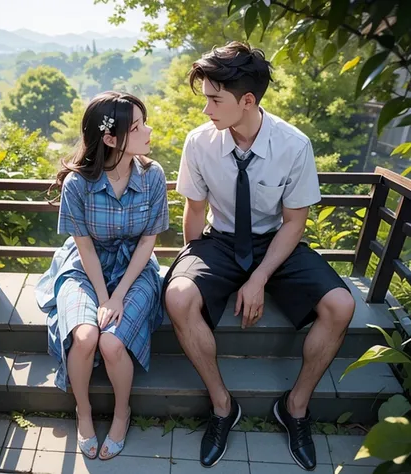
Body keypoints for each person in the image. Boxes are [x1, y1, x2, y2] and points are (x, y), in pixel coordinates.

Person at [163, 42, 356, 471]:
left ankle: (296, 407)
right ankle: (222, 406)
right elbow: (194, 212)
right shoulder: (200, 142)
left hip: (276, 241)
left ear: (247, 100)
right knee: (177, 296)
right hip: (220, 241)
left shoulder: (294, 145)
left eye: (215, 99)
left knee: (342, 305)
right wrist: (190, 270)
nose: (206, 109)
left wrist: (259, 278)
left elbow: (294, 223)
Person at [35, 91, 169, 460]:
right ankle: (84, 411)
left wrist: (118, 295)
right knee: (85, 335)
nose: (148, 131)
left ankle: (122, 413)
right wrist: (101, 295)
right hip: (84, 267)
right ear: (111, 138)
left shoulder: (152, 175)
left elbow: (147, 242)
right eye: (138, 127)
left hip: (135, 269)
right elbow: (85, 248)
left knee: (111, 343)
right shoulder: (78, 184)